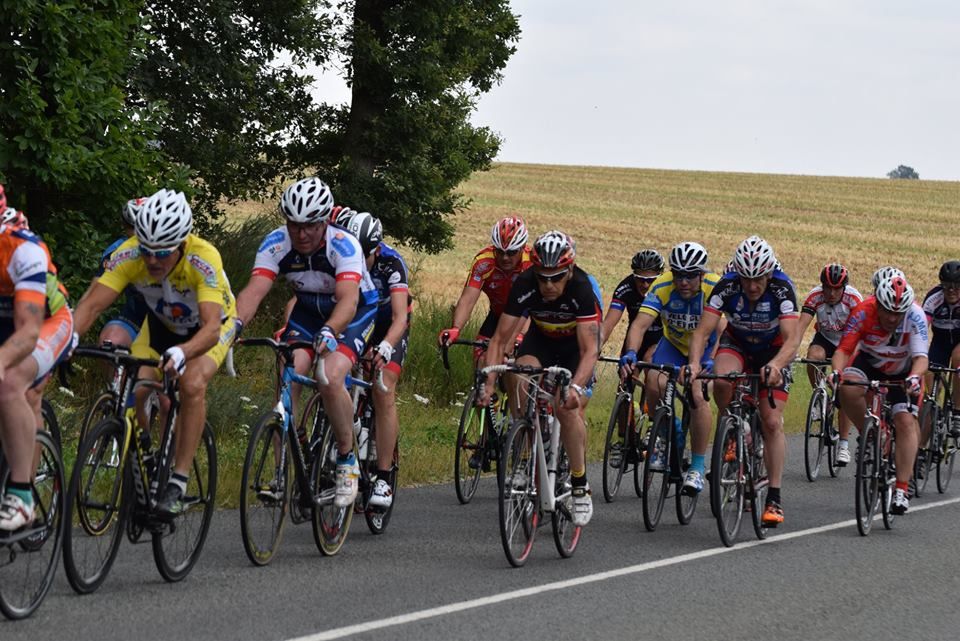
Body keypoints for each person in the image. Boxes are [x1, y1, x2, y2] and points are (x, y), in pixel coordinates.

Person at [72, 188, 238, 519]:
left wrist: (183, 352)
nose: (151, 260)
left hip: (208, 330)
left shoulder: (203, 258)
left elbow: (209, 329)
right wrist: (63, 342)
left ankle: (178, 480)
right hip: (160, 326)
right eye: (146, 250)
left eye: (162, 253)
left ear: (181, 243)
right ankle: (146, 451)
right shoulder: (129, 254)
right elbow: (91, 305)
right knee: (134, 387)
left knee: (191, 384)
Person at [235, 177, 378, 508]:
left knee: (329, 374)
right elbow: (254, 292)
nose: (301, 234)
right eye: (294, 225)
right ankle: (282, 470)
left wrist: (330, 330)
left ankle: (346, 459)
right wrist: (235, 325)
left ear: (325, 220)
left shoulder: (343, 245)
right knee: (290, 369)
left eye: (310, 226)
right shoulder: (276, 243)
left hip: (353, 311)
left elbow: (347, 302)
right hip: (308, 310)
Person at [478, 230, 601, 526]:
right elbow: (499, 340)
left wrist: (575, 387)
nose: (548, 284)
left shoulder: (582, 290)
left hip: (575, 350)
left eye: (556, 277)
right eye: (542, 277)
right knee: (519, 375)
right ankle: (525, 447)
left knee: (566, 408)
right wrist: (489, 383)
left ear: (569, 270)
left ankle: (580, 485)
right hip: (541, 342)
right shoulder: (525, 283)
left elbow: (590, 351)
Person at [688, 235, 801, 527]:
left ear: (769, 272)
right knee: (723, 380)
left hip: (773, 350)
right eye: (746, 279)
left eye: (759, 279)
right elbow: (702, 332)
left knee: (772, 421)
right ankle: (735, 430)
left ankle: (774, 497)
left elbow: (792, 339)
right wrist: (694, 364)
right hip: (737, 343)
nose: (752, 286)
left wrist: (776, 364)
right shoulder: (726, 286)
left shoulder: (781, 288)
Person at [0, 192, 75, 531]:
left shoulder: (24, 249)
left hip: (47, 322)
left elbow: (28, 332)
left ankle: (21, 493)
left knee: (11, 383)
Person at [621, 241, 721, 495]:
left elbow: (724, 330)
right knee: (654, 382)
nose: (683, 282)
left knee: (698, 394)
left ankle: (697, 467)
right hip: (674, 345)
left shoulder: (713, 287)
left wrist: (711, 360)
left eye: (690, 276)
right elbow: (639, 325)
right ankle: (668, 430)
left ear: (701, 274)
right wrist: (631, 353)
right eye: (678, 275)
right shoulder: (663, 286)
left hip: (707, 349)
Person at [833, 274, 927, 514]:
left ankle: (902, 489)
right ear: (878, 304)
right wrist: (835, 371)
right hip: (870, 362)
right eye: (887, 312)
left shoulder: (915, 316)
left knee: (905, 420)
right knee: (848, 386)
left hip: (904, 370)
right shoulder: (863, 312)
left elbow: (920, 358)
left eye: (898, 314)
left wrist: (914, 377)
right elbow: (844, 350)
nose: (892, 319)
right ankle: (870, 432)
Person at [344, 212, 410, 509]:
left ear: (376, 250)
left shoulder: (391, 264)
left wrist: (384, 347)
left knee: (383, 389)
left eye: (364, 255)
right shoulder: (340, 256)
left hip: (388, 329)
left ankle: (383, 478)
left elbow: (400, 318)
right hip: (357, 323)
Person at [796, 263, 863, 464]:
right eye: (828, 288)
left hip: (847, 341)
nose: (832, 293)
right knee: (813, 356)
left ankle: (843, 445)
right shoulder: (815, 296)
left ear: (844, 288)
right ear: (822, 286)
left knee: (844, 390)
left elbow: (859, 333)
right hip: (825, 338)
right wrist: (789, 351)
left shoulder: (854, 299)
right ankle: (820, 394)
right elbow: (800, 328)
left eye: (837, 289)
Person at [438, 216, 531, 360]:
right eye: (499, 252)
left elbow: (532, 306)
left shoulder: (531, 264)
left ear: (522, 248)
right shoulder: (484, 262)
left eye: (511, 252)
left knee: (514, 366)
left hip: (527, 318)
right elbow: (467, 300)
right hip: (498, 315)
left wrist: (520, 335)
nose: (505, 258)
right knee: (482, 360)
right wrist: (456, 328)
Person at [92, 198, 149, 350]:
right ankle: (114, 374)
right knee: (108, 342)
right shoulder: (117, 251)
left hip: (173, 321)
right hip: (135, 316)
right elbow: (95, 297)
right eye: (132, 227)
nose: (138, 235)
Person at [601, 249, 665, 359]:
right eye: (640, 279)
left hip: (661, 336)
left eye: (650, 280)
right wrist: (594, 348)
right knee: (627, 372)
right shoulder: (626, 288)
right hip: (635, 334)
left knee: (650, 361)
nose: (645, 285)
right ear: (633, 275)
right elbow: (608, 323)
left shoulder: (666, 288)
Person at [923, 260, 960, 438]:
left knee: (958, 359)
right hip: (940, 342)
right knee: (929, 381)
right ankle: (933, 411)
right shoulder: (934, 298)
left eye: (956, 286)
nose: (951, 290)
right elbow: (921, 329)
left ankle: (957, 412)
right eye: (946, 286)